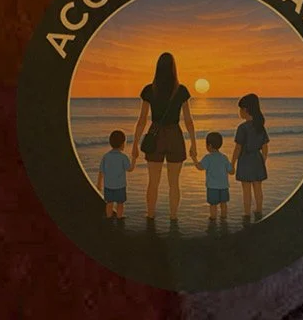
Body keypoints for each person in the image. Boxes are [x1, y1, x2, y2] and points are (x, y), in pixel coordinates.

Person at [132, 51, 197, 223]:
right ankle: (173, 217)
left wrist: (135, 144)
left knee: (153, 182)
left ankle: (151, 215)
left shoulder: (149, 90)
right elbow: (189, 121)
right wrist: (194, 144)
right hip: (175, 135)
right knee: (174, 183)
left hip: (155, 134)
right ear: (173, 68)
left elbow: (142, 120)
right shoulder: (181, 90)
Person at [232, 93, 270, 220]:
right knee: (258, 187)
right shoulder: (260, 126)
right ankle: (259, 210)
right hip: (257, 159)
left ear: (245, 110)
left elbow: (238, 148)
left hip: (245, 160)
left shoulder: (242, 128)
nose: (239, 112)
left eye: (240, 109)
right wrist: (263, 159)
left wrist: (232, 163)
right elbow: (265, 146)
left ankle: (247, 213)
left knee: (246, 189)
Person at [198, 132, 232, 224]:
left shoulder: (208, 157)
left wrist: (193, 158)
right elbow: (231, 170)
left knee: (213, 205)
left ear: (209, 145)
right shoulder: (224, 157)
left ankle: (213, 219)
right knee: (223, 204)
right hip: (224, 186)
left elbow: (200, 167)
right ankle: (224, 218)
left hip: (212, 186)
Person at [97, 129, 131, 219]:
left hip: (108, 185)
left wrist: (99, 183)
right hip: (120, 185)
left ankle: (109, 216)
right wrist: (134, 159)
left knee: (109, 203)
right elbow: (129, 168)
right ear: (122, 144)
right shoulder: (123, 157)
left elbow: (101, 171)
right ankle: (119, 217)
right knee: (120, 203)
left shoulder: (106, 156)